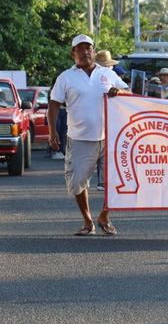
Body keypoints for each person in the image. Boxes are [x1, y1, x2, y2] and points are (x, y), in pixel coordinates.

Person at [48, 34, 129, 236]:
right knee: (77, 182)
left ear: (93, 50)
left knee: (119, 181)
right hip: (79, 138)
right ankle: (88, 221)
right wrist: (52, 132)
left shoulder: (107, 74)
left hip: (110, 137)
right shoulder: (66, 77)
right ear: (73, 53)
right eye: (80, 48)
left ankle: (104, 216)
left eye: (88, 48)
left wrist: (118, 93)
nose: (85, 52)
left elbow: (128, 94)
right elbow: (53, 104)